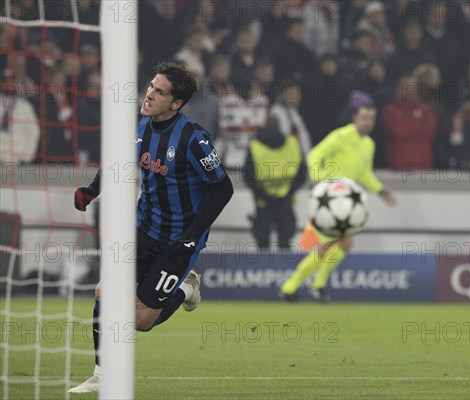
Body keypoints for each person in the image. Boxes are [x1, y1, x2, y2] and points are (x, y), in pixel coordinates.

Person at [69, 62, 234, 393]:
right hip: (142, 229)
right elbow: (118, 162)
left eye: (160, 92)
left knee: (141, 322)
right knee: (104, 293)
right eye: (151, 86)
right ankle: (102, 374)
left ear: (176, 103)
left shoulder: (193, 138)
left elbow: (223, 188)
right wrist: (92, 189)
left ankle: (186, 287)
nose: (150, 94)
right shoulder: (140, 125)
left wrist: (191, 238)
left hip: (178, 242)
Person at [279, 104, 396, 303]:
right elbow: (314, 155)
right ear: (355, 118)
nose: (368, 122)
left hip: (345, 200)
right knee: (331, 242)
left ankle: (305, 286)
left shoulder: (368, 144)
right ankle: (298, 286)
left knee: (342, 243)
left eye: (371, 118)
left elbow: (363, 173)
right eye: (364, 117)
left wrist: (380, 190)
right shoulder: (341, 136)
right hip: (328, 198)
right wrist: (317, 179)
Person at [244, 116, 307, 249]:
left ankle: (261, 269)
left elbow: (248, 176)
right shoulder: (292, 143)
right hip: (286, 201)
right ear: (280, 126)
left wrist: (262, 194)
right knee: (285, 243)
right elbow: (302, 174)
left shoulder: (254, 146)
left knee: (262, 245)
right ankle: (285, 269)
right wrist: (289, 192)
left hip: (263, 202)